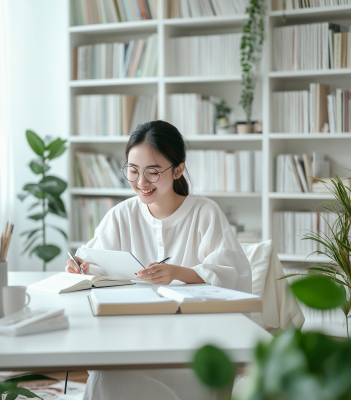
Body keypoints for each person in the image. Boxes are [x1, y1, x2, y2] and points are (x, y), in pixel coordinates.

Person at [65, 120, 252, 400]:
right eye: (133, 170)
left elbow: (231, 273)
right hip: (132, 340)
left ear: (178, 169)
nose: (141, 183)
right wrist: (82, 269)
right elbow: (95, 262)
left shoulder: (204, 212)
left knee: (113, 376)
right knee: (109, 372)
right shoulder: (121, 215)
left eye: (153, 172)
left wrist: (178, 272)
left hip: (193, 348)